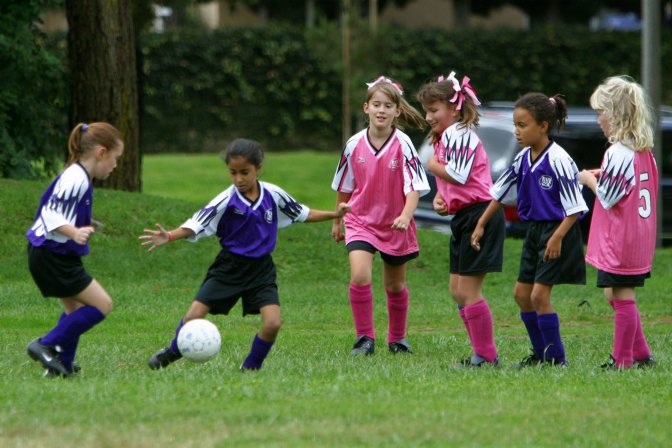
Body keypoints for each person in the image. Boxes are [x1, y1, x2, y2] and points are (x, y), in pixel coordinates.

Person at [141, 138, 350, 371]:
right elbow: (197, 223)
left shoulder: (273, 194)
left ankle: (251, 367)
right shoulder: (226, 199)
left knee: (272, 323)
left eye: (244, 172)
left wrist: (334, 214)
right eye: (233, 173)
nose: (238, 179)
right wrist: (169, 236)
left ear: (258, 168)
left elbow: (302, 213)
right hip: (229, 268)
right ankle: (171, 352)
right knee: (193, 317)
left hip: (261, 270)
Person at [472, 93, 588, 367]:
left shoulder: (559, 159)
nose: (517, 131)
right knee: (521, 295)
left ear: (543, 126)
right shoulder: (523, 158)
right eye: (515, 124)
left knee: (539, 295)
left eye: (522, 125)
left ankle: (557, 359)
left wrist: (557, 237)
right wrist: (480, 224)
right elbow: (499, 192)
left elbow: (576, 208)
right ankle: (540, 353)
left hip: (558, 231)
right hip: (534, 231)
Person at [331, 75, 430, 356]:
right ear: (366, 108)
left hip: (395, 225)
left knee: (395, 285)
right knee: (360, 276)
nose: (382, 110)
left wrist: (405, 216)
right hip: (360, 221)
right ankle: (365, 338)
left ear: (397, 111)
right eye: (376, 104)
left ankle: (397, 339)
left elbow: (415, 188)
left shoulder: (404, 144)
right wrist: (337, 221)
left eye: (388, 105)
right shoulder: (353, 145)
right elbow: (344, 186)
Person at [416, 71, 505, 367]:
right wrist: (445, 201)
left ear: (453, 108)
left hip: (481, 215)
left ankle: (486, 357)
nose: (428, 116)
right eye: (426, 110)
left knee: (468, 291)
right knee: (457, 290)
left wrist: (432, 165)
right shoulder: (447, 136)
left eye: (433, 110)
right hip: (464, 215)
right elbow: (457, 183)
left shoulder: (461, 133)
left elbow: (459, 174)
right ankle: (480, 352)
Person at [25, 122, 124, 377]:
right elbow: (49, 213)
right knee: (103, 305)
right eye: (115, 158)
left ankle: (61, 366)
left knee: (76, 311)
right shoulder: (77, 177)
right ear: (101, 152)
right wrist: (74, 232)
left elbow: (60, 210)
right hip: (53, 256)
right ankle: (45, 345)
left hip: (51, 254)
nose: (115, 165)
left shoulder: (78, 175)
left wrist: (84, 223)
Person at [578, 75, 657, 370]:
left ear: (617, 114)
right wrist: (604, 172)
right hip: (639, 236)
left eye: (601, 112)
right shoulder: (642, 152)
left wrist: (588, 180)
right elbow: (630, 184)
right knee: (613, 292)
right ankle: (641, 353)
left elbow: (609, 198)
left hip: (621, 238)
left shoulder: (617, 152)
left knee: (621, 295)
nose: (598, 119)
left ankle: (621, 360)